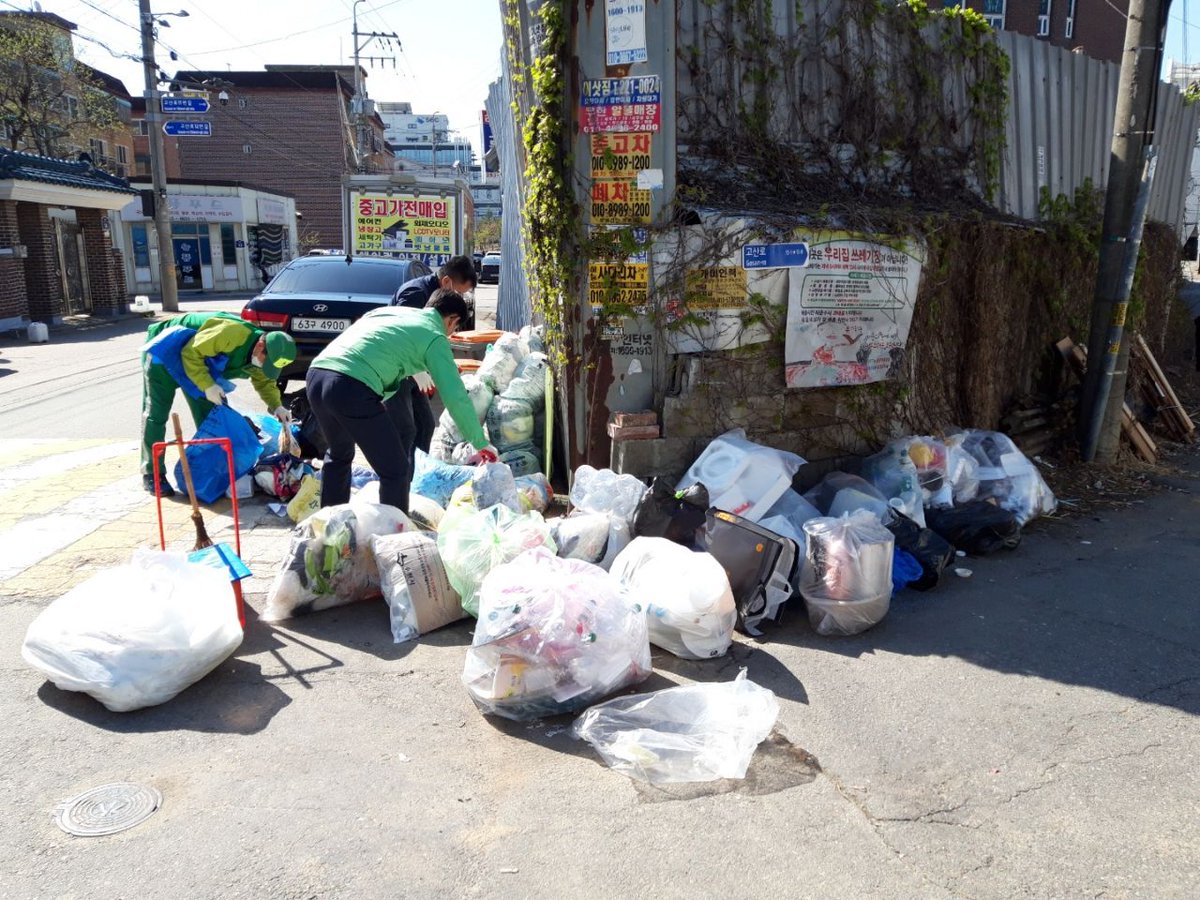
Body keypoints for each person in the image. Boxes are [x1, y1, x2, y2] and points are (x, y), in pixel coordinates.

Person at [306, 290, 497, 512]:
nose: (451, 333)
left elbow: (377, 348)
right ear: (452, 319)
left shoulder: (391, 313)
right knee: (395, 468)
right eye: (454, 328)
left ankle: (329, 531)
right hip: (351, 386)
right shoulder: (434, 335)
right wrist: (479, 441)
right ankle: (394, 538)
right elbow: (456, 397)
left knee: (339, 456)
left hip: (318, 374)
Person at [141, 311, 296, 495]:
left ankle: (209, 474)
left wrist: (277, 406)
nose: (264, 367)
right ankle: (152, 473)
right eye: (266, 362)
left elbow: (264, 381)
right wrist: (208, 386)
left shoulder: (261, 357)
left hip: (199, 366)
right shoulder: (231, 333)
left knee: (211, 420)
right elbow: (190, 353)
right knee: (156, 415)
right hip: (165, 353)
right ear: (261, 345)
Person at [390, 254, 479, 476]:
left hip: (415, 370)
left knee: (426, 424)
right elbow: (402, 335)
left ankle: (417, 474)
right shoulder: (415, 294)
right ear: (447, 282)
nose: (460, 298)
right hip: (396, 371)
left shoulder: (436, 294)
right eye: (459, 291)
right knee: (406, 429)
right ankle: (401, 480)